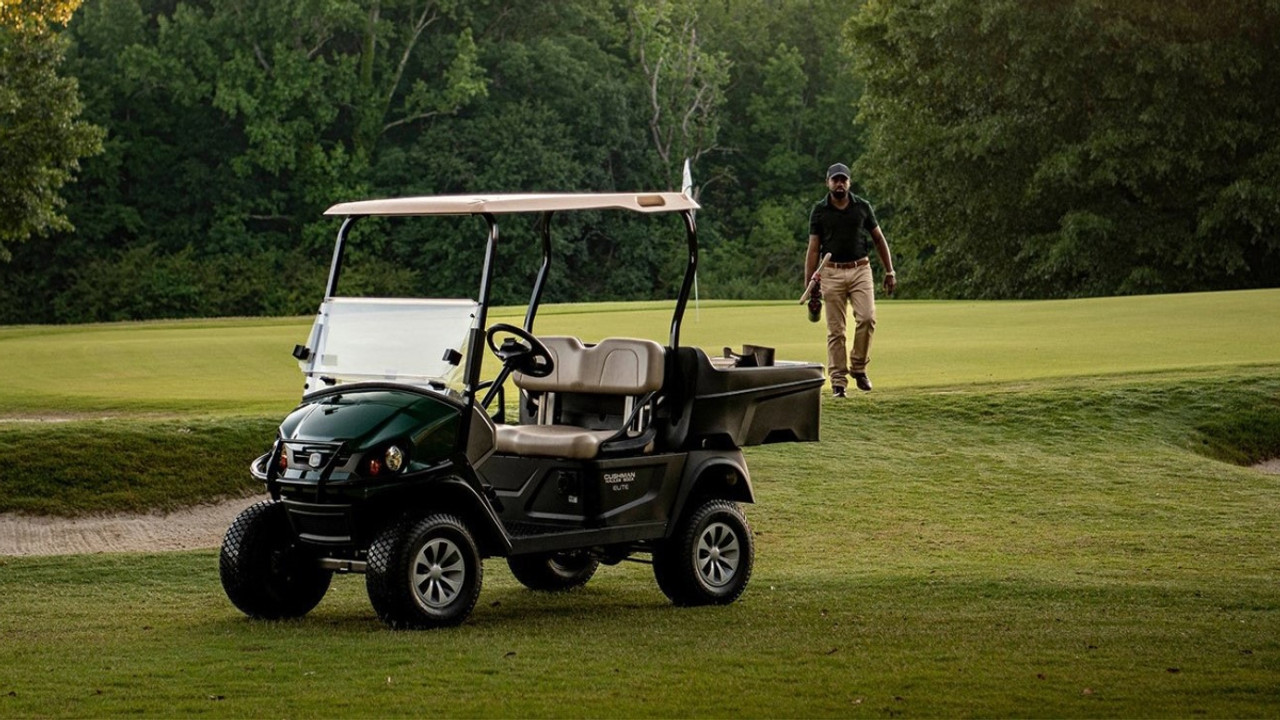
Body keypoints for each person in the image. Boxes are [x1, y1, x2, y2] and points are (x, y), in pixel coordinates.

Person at [804, 163, 896, 396]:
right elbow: (813, 248)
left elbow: (878, 239)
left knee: (867, 318)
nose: (839, 183)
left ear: (849, 183)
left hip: (860, 270)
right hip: (831, 272)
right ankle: (838, 383)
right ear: (828, 182)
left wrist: (889, 271)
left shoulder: (862, 207)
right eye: (835, 180)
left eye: (843, 180)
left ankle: (859, 367)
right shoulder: (820, 210)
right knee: (837, 331)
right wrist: (810, 283)